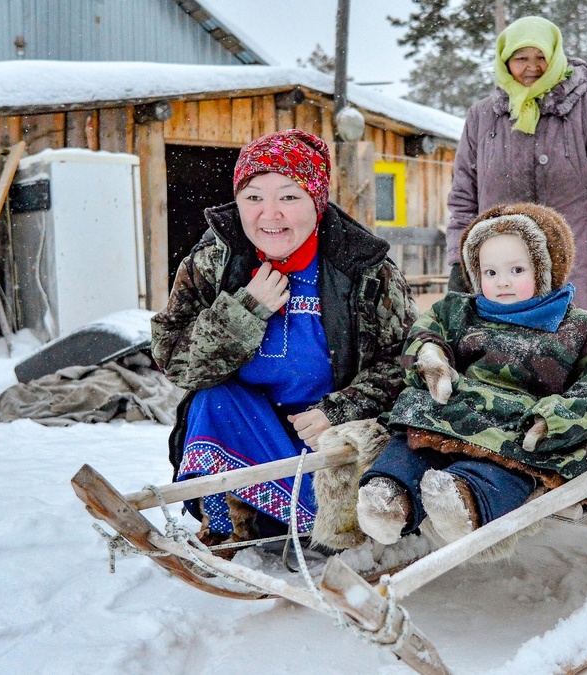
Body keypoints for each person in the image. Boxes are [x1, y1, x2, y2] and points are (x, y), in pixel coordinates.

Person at [151, 129, 417, 550]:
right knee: (212, 399)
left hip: (325, 439)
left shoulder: (363, 268)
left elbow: (407, 364)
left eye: (289, 197)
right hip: (246, 430)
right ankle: (223, 527)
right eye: (254, 197)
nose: (269, 215)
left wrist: (340, 408)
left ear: (316, 201)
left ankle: (305, 524)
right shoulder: (214, 260)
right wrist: (245, 311)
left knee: (326, 514)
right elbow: (175, 361)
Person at [354, 203, 587, 545]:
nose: (503, 283)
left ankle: (466, 499)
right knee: (415, 436)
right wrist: (431, 357)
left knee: (513, 463)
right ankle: (390, 494)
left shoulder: (579, 330)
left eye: (517, 269)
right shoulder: (459, 311)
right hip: (456, 407)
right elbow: (425, 332)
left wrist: (553, 419)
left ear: (547, 270)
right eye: (491, 272)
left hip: (519, 424)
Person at [446, 15, 587, 349]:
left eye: (540, 57)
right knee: (505, 369)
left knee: (580, 361)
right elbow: (464, 197)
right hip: (502, 271)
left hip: (577, 265)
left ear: (555, 57)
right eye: (521, 58)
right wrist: (459, 260)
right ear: (506, 62)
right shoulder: (482, 117)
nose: (531, 67)